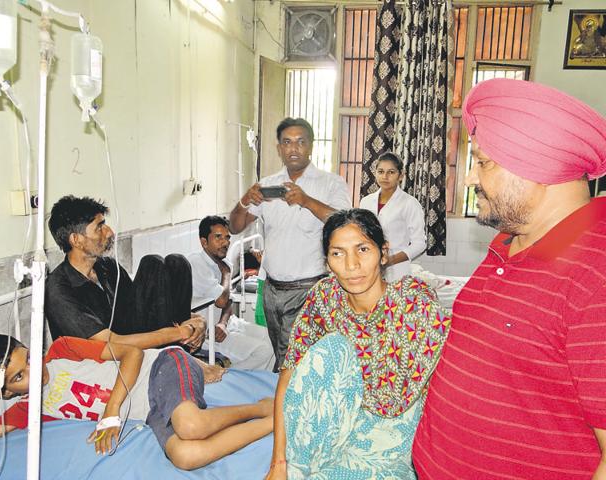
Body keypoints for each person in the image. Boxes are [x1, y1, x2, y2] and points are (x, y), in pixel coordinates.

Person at [412, 78, 606, 479]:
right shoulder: (511, 241)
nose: (469, 179)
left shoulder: (595, 275)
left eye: (483, 162)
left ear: (537, 166)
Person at [266, 209, 451, 480]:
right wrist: (278, 464)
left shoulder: (413, 303)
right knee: (333, 348)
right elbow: (290, 372)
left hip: (392, 427)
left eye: (363, 249)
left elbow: (447, 379)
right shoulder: (325, 297)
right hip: (338, 418)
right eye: (338, 253)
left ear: (383, 253)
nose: (351, 265)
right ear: (328, 262)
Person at [0, 334, 273, 470]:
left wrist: (110, 413)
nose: (35, 371)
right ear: (5, 391)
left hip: (160, 368)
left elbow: (132, 353)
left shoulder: (62, 350)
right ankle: (274, 420)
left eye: (30, 358)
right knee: (185, 455)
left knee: (190, 425)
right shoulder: (25, 412)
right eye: (20, 377)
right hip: (151, 411)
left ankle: (259, 407)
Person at [230, 118, 351, 370]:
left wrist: (307, 201)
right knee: (281, 354)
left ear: (311, 146)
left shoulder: (330, 183)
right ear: (279, 149)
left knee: (295, 363)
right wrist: (244, 200)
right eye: (287, 142)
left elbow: (344, 223)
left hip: (308, 289)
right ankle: (284, 401)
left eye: (300, 142)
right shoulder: (267, 185)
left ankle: (285, 406)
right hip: (272, 291)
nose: (293, 148)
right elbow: (235, 226)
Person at [45, 195, 206, 351]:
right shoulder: (58, 289)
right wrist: (180, 332)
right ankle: (176, 353)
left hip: (131, 339)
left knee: (177, 262)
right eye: (99, 227)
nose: (109, 232)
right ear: (76, 240)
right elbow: (111, 342)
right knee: (152, 263)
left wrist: (195, 323)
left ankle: (181, 349)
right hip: (105, 357)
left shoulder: (107, 267)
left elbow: (148, 306)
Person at [188, 215, 274, 370]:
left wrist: (223, 323)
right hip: (208, 334)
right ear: (204, 242)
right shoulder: (197, 264)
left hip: (225, 325)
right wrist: (226, 274)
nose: (225, 243)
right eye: (218, 237)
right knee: (263, 351)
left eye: (227, 238)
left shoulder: (224, 263)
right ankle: (226, 378)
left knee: (272, 338)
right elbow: (221, 300)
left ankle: (257, 385)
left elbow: (229, 301)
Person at [360, 152, 426, 281]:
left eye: (391, 172)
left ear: (400, 175)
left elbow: (419, 244)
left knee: (392, 300)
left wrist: (390, 261)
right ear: (375, 173)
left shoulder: (410, 203)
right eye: (380, 171)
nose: (385, 176)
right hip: (368, 267)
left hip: (397, 270)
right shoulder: (366, 202)